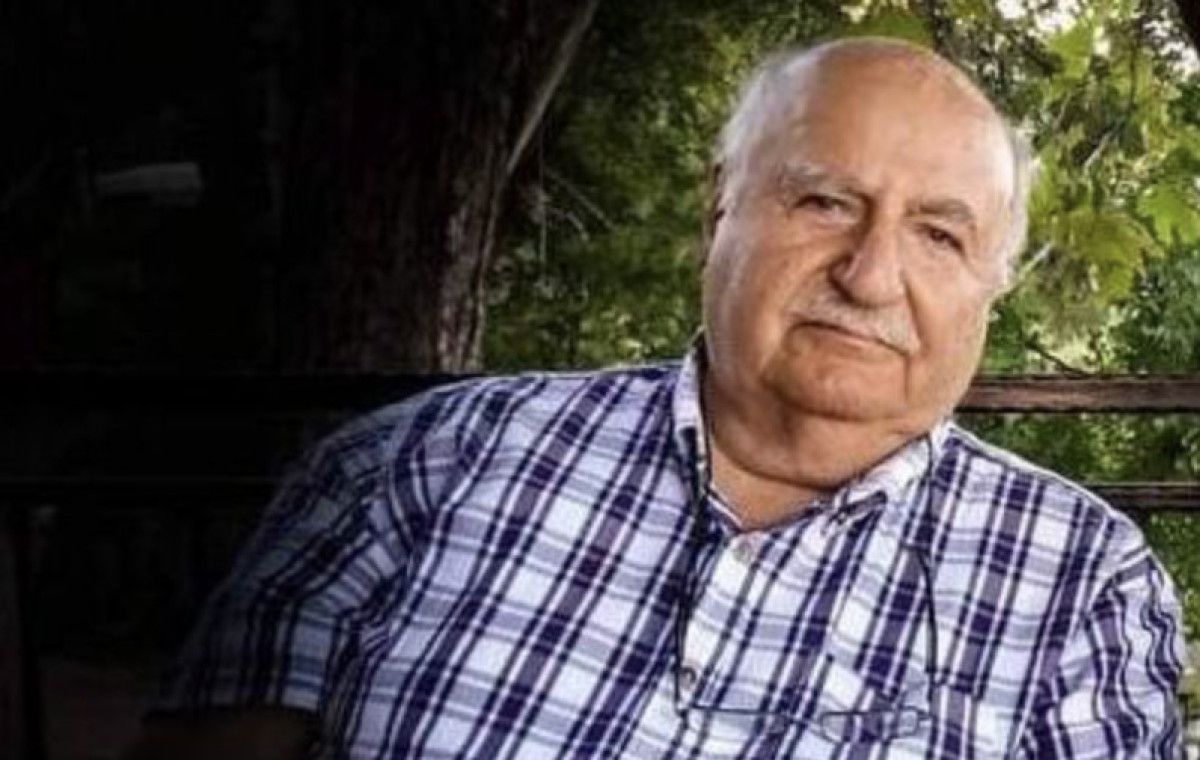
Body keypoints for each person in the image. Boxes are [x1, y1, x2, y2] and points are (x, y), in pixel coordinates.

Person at [127, 37, 1185, 759]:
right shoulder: (424, 462)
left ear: (992, 288)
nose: (870, 276)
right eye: (825, 201)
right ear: (718, 211)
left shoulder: (1081, 585)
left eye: (940, 234)